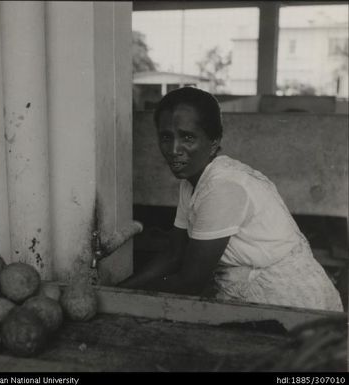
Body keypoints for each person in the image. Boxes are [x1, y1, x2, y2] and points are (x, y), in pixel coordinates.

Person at [118, 87, 343, 312]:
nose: (174, 149)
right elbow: (174, 253)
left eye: (188, 137)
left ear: (213, 141)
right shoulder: (192, 181)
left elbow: (190, 281)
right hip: (251, 290)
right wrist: (119, 289)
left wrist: (122, 298)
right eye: (166, 137)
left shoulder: (223, 187)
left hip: (290, 301)